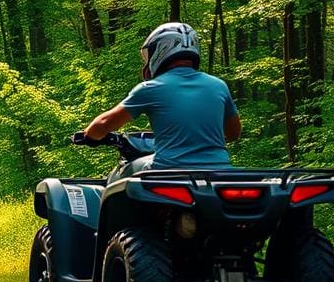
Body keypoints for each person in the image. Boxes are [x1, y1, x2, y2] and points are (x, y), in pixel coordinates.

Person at [83, 23, 241, 174]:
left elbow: (102, 125)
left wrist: (89, 136)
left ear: (161, 49)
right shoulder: (219, 85)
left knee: (123, 171)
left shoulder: (151, 88)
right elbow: (233, 133)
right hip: (220, 172)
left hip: (168, 171)